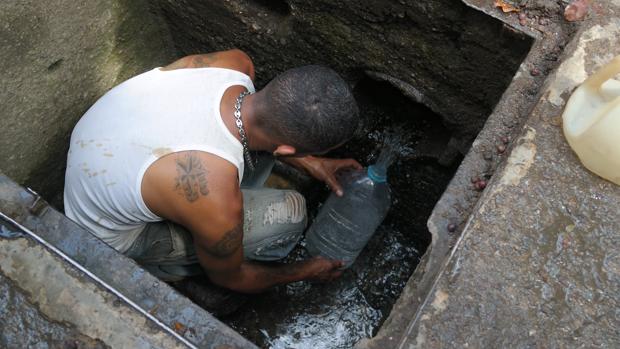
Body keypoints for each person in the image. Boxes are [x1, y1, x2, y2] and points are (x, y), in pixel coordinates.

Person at [63, 49, 361, 293]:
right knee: (291, 215)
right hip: (105, 236)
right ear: (285, 148)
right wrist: (303, 271)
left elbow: (257, 128)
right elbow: (230, 277)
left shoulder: (234, 65)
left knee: (246, 157)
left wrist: (313, 162)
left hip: (103, 156)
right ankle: (165, 268)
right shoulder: (213, 199)